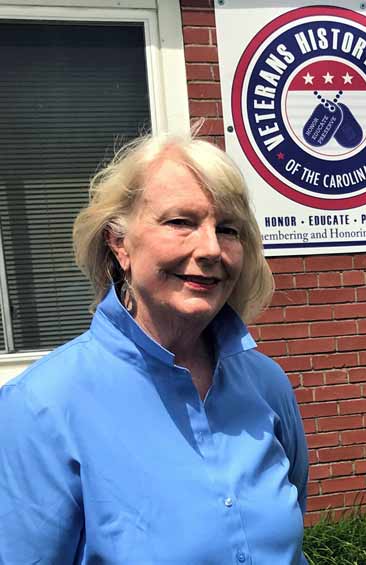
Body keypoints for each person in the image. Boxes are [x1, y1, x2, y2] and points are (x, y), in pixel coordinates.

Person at [0, 133, 309, 563]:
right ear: (118, 242)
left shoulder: (266, 384)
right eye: (180, 222)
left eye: (227, 228)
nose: (210, 249)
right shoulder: (39, 408)